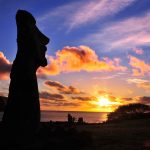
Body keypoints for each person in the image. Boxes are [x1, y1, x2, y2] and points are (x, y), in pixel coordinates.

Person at [2, 10, 49, 144]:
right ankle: (23, 133)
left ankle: (25, 132)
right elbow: (40, 53)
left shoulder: (27, 35)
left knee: (25, 104)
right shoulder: (25, 35)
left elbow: (42, 48)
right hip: (23, 71)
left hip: (23, 71)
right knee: (23, 104)